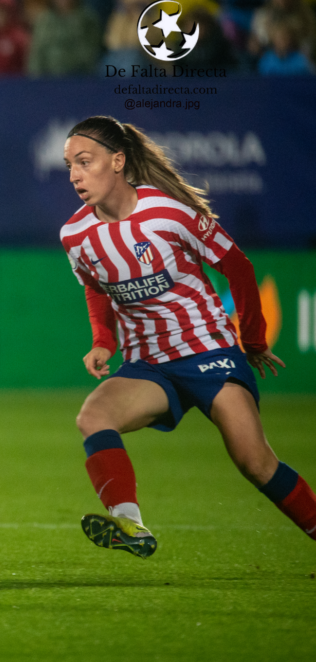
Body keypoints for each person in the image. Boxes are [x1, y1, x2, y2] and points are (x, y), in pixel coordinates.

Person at [59, 115, 316, 558]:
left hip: (207, 350)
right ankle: (130, 524)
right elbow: (95, 286)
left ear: (118, 161)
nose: (75, 175)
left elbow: (237, 265)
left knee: (255, 463)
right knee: (93, 416)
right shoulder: (75, 235)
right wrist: (104, 339)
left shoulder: (168, 212)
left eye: (85, 162)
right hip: (148, 365)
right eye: (69, 166)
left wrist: (252, 340)